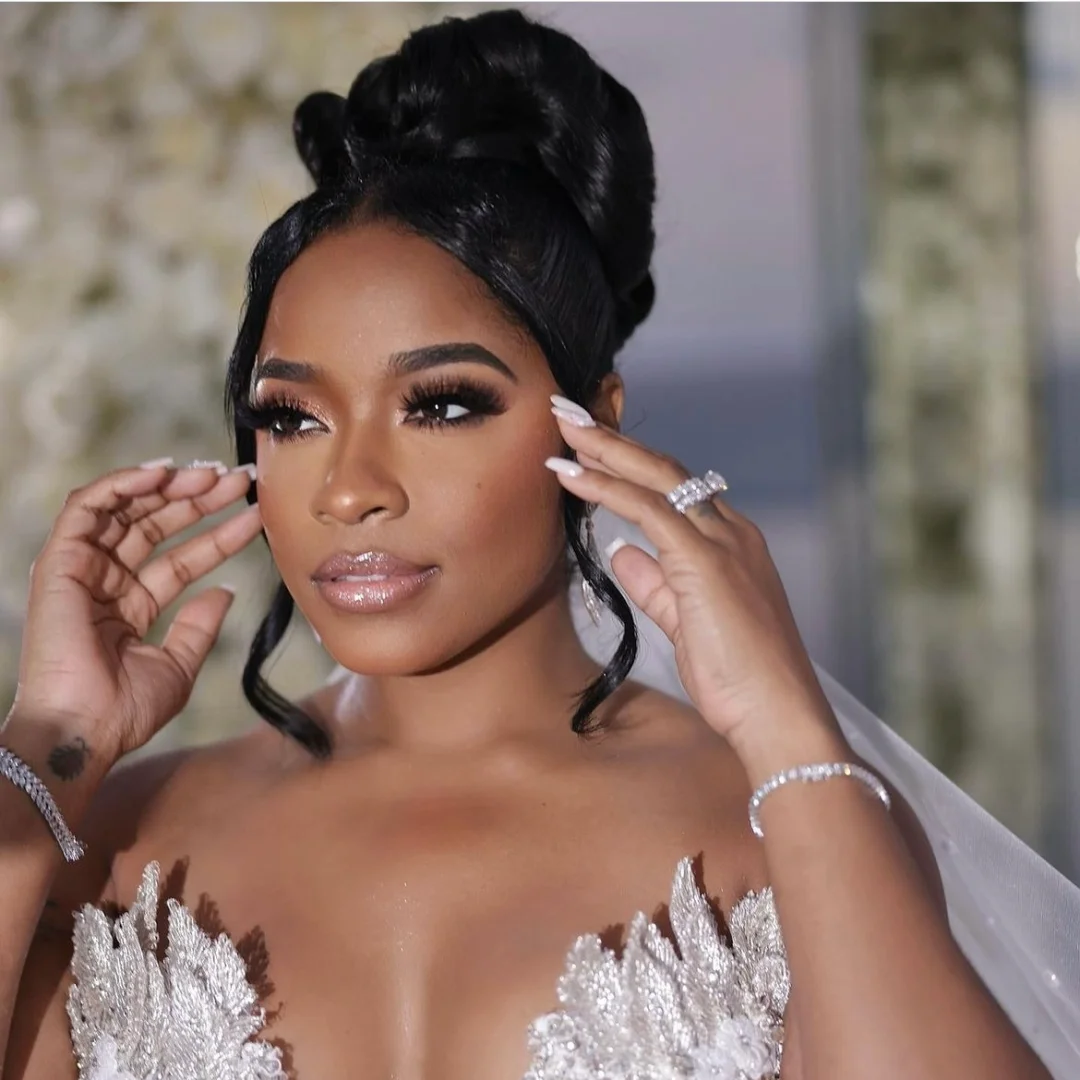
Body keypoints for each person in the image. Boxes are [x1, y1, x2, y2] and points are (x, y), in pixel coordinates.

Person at [0, 9, 1071, 1080]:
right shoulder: (97, 854)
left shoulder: (786, 833)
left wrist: (791, 731)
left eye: (443, 404)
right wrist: (49, 742)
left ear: (594, 423)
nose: (350, 490)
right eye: (291, 418)